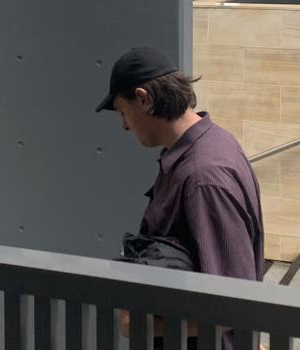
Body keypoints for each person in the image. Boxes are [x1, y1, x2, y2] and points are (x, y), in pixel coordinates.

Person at [96, 46, 265, 349]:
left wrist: (140, 323)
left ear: (143, 98)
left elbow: (236, 305)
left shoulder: (203, 177)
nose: (124, 125)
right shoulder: (211, 143)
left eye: (123, 112)